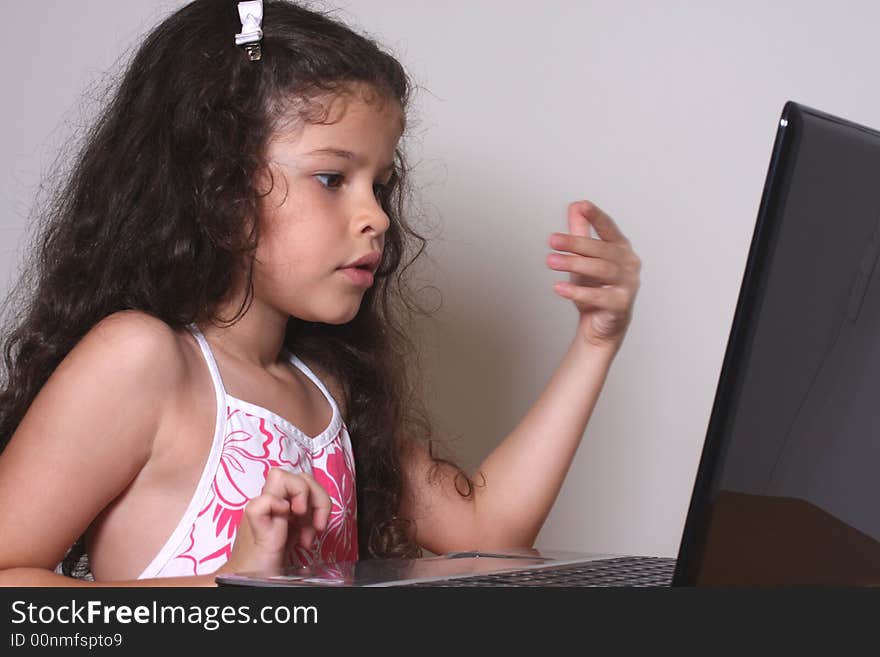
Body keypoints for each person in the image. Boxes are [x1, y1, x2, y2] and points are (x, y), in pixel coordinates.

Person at [0, 0, 641, 587]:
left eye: (380, 185)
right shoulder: (143, 361)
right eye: (333, 178)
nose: (378, 217)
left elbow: (487, 533)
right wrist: (228, 590)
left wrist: (595, 339)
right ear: (215, 182)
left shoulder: (326, 385)